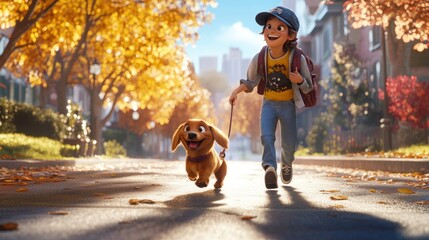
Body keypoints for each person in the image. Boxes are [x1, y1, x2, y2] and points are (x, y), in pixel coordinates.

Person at [229, 6, 313, 189]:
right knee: (266, 137)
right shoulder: (260, 57)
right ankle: (270, 168)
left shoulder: (298, 58)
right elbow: (251, 81)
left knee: (289, 144)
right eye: (269, 26)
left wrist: (299, 80)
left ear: (290, 36)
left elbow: (308, 88)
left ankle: (287, 163)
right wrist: (236, 91)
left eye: (279, 28)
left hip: (288, 104)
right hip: (268, 104)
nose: (272, 31)